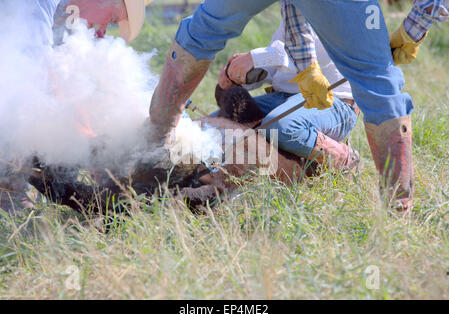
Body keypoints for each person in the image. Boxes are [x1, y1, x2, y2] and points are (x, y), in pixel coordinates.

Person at [148, 0, 448, 213]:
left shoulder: (336, 21)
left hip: (333, 103)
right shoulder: (300, 16)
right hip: (285, 94)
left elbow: (285, 53)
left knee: (284, 123)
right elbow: (292, 29)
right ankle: (160, 148)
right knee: (211, 125)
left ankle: (359, 172)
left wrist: (414, 29)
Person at [0, 0, 148, 213]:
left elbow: (89, 83)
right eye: (113, 18)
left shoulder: (74, 16)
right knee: (23, 106)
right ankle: (9, 191)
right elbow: (31, 73)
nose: (105, 29)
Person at [216, 0, 360, 172]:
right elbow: (277, 68)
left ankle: (344, 159)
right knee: (216, 125)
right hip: (283, 97)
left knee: (284, 126)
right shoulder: (294, 10)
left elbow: (302, 55)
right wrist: (240, 75)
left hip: (333, 102)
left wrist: (254, 58)